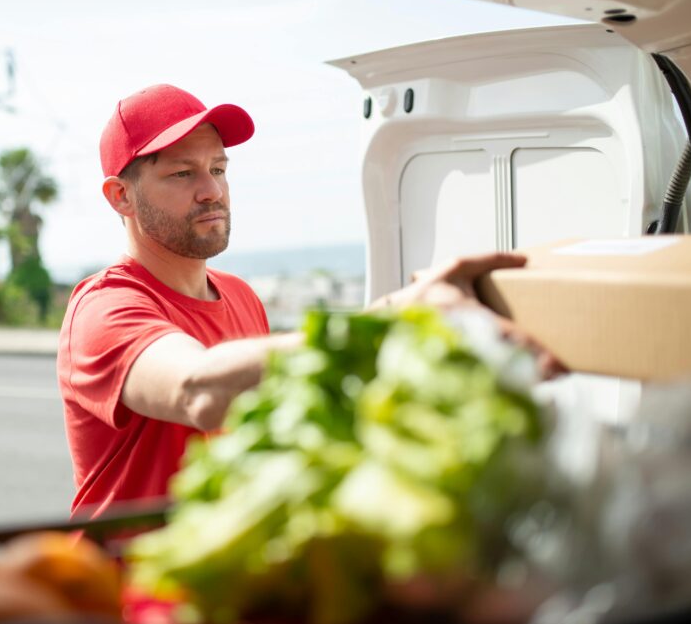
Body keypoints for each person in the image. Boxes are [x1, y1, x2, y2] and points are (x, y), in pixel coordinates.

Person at [56, 84, 561, 520]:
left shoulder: (240, 295)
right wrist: (396, 316)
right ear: (120, 196)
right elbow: (199, 391)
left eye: (218, 168)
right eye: (182, 174)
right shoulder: (104, 309)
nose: (213, 191)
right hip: (122, 594)